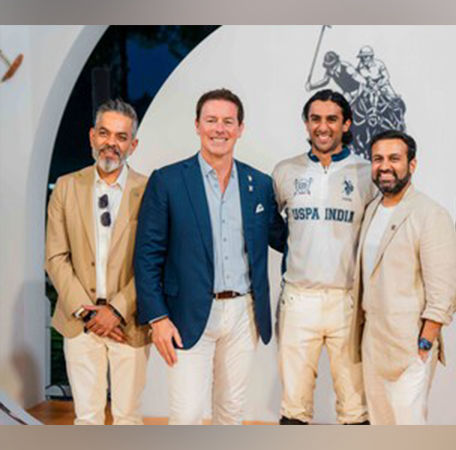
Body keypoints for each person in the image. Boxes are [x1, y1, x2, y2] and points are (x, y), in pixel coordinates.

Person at [134, 88, 286, 425]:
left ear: (240, 128)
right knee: (187, 415)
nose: (220, 129)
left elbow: (282, 237)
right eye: (212, 120)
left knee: (231, 412)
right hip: (187, 313)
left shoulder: (259, 184)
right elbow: (147, 255)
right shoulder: (168, 180)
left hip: (244, 314)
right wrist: (157, 318)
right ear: (197, 125)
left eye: (228, 121)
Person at [272, 89, 376, 425]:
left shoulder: (366, 172)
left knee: (355, 406)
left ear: (346, 124)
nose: (323, 126)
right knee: (294, 406)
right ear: (306, 124)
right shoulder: (286, 171)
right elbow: (274, 230)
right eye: (315, 119)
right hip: (299, 298)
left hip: (347, 300)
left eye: (332, 119)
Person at [45, 99, 150, 425]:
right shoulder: (65, 187)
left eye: (121, 137)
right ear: (92, 136)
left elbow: (152, 263)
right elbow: (55, 256)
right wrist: (86, 311)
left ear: (133, 144)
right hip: (79, 322)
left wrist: (116, 309)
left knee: (127, 418)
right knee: (87, 419)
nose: (111, 143)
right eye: (104, 133)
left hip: (128, 324)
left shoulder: (149, 191)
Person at [349, 130, 456, 425]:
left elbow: (444, 289)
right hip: (373, 342)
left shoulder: (430, 214)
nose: (385, 166)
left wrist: (425, 344)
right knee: (380, 424)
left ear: (412, 165)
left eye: (394, 158)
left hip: (410, 345)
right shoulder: (372, 209)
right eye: (378, 159)